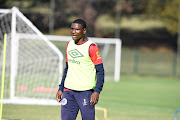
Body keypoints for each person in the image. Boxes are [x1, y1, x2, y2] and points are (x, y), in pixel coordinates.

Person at [56, 19, 104, 120]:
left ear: (84, 31)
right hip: (68, 91)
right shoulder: (69, 45)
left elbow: (100, 71)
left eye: (77, 29)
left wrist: (97, 91)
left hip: (85, 93)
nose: (73, 32)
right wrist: (61, 88)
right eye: (72, 29)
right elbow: (67, 69)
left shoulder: (91, 47)